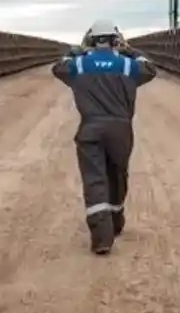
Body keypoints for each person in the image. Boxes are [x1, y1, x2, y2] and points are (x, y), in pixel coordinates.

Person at [51, 19, 157, 256]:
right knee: (117, 175)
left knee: (94, 179)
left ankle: (101, 238)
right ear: (114, 40)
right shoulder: (127, 66)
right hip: (121, 130)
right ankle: (116, 222)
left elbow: (59, 67)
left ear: (91, 40)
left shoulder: (79, 65)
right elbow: (150, 68)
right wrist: (130, 50)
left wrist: (74, 50)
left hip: (91, 128)